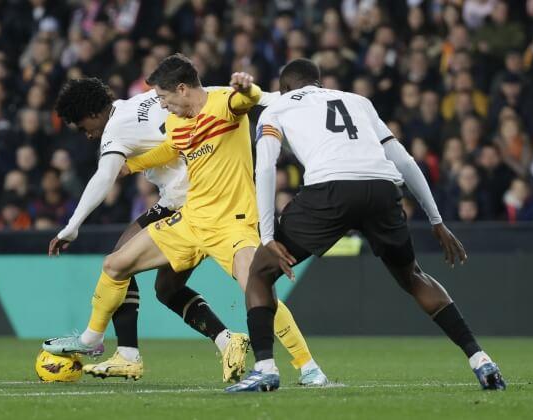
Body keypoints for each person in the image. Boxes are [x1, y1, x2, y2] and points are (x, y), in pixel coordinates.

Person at [44, 56, 328, 386]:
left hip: (232, 223)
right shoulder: (177, 122)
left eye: (164, 98)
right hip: (190, 219)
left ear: (181, 89)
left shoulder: (224, 102)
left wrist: (247, 87)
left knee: (258, 289)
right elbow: (169, 149)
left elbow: (248, 100)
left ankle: (309, 367)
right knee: (115, 265)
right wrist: (131, 166)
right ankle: (94, 338)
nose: (162, 105)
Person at [226, 58, 505, 392]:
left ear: (285, 88)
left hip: (330, 189)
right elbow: (404, 160)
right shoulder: (358, 101)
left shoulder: (278, 108)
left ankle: (266, 369)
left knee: (259, 273)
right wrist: (437, 220)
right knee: (413, 276)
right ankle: (481, 359)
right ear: (320, 81)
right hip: (382, 188)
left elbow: (266, 168)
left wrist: (268, 236)